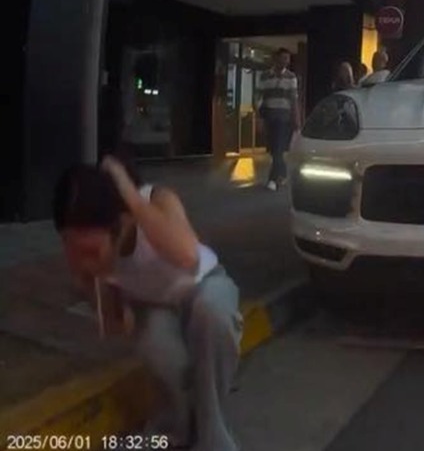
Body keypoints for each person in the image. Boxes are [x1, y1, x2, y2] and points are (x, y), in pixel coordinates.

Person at [53, 156, 242, 451]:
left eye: (92, 251)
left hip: (203, 286)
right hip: (158, 305)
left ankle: (214, 438)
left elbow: (188, 257)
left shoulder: (155, 201)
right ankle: (173, 430)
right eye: (73, 249)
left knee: (211, 313)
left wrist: (129, 193)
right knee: (154, 343)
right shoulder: (90, 256)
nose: (84, 260)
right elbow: (115, 325)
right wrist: (91, 284)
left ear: (119, 225)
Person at [256, 48, 300, 191]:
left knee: (278, 148)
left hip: (284, 117)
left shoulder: (291, 77)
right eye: (284, 58)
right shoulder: (265, 76)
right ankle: (282, 173)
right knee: (273, 149)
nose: (286, 61)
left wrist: (296, 118)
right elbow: (259, 98)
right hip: (269, 116)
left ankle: (272, 179)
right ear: (276, 59)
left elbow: (294, 99)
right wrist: (259, 118)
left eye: (288, 58)